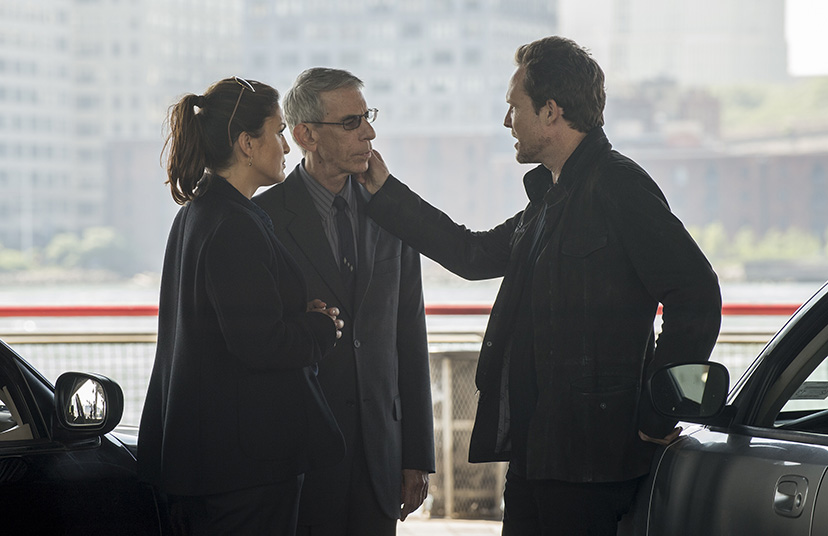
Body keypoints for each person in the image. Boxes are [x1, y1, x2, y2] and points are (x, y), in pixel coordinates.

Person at [357, 36, 723, 535]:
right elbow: (473, 254)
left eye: (514, 106)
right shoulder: (550, 200)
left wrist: (659, 410)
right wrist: (385, 192)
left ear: (551, 112)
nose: (507, 121)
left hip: (592, 463)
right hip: (538, 454)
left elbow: (696, 295)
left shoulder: (619, 185)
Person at [138, 76, 346, 535]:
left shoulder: (197, 213)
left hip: (211, 465)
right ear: (247, 144)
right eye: (278, 132)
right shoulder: (235, 225)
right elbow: (260, 343)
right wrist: (320, 327)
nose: (287, 147)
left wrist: (295, 317)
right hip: (246, 469)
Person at [253, 67, 434, 536]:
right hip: (300, 458)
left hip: (382, 455)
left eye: (368, 117)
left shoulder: (391, 210)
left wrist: (416, 455)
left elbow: (410, 335)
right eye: (352, 122)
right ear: (305, 135)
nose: (368, 133)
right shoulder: (263, 219)